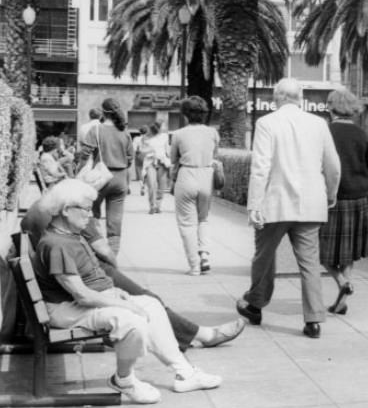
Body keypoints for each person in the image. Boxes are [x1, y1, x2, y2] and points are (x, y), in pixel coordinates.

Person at [29, 180, 222, 403]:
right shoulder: (57, 245)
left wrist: (113, 292)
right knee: (132, 320)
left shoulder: (69, 234)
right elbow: (82, 295)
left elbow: (88, 284)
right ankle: (125, 380)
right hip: (64, 310)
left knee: (152, 304)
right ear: (65, 210)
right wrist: (123, 303)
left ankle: (185, 373)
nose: (90, 215)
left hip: (75, 303)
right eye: (85, 209)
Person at [21, 183, 245, 350]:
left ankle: (188, 339)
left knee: (145, 300)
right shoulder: (74, 211)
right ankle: (200, 336)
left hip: (71, 276)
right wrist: (113, 270)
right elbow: (104, 251)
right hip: (87, 276)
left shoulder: (43, 208)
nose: (89, 212)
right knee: (149, 299)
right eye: (87, 208)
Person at [236, 78, 340, 339]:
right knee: (309, 263)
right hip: (311, 204)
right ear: (301, 96)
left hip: (275, 203)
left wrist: (253, 205)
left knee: (264, 256)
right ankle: (313, 319)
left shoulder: (266, 123)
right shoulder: (319, 124)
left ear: (276, 98)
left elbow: (260, 166)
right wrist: (330, 194)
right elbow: (333, 166)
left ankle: (256, 304)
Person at [319, 87, 368, 315]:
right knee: (348, 252)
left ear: (331, 107)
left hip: (333, 199)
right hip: (358, 199)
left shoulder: (326, 132)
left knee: (321, 251)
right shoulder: (360, 134)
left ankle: (341, 283)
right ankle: (342, 300)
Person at [77, 97, 134, 258]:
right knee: (115, 219)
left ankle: (97, 250)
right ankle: (112, 255)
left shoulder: (96, 130)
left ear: (103, 111)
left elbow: (84, 154)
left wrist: (77, 172)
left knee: (92, 212)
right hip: (120, 178)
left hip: (100, 178)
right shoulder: (125, 132)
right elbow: (130, 157)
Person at [170, 96, 219, 276]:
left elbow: (173, 159)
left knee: (187, 224)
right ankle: (205, 254)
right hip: (207, 176)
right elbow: (215, 154)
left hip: (187, 175)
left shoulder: (178, 134)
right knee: (203, 219)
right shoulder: (213, 133)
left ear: (185, 114)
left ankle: (194, 265)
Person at [140, 122, 171, 214]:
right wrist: (151, 151)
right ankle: (152, 206)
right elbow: (142, 150)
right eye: (163, 127)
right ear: (158, 128)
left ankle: (158, 205)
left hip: (162, 163)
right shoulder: (145, 137)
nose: (164, 128)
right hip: (150, 163)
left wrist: (169, 160)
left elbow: (167, 150)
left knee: (161, 186)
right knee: (151, 185)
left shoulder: (165, 136)